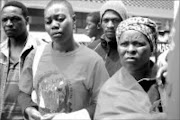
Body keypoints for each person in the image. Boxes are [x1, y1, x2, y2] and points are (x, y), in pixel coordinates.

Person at [18, 0, 109, 120]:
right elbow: (23, 93)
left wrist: (71, 117)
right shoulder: (35, 56)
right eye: (48, 22)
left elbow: (105, 104)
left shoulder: (93, 61)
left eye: (60, 19)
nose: (54, 25)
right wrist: (29, 109)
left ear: (74, 20)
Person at [94, 17, 167, 119]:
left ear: (152, 47)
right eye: (124, 44)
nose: (130, 50)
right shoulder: (109, 89)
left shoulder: (167, 81)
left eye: (138, 44)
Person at [0, 1, 45, 120]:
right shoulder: (0, 52)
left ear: (27, 20)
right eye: (4, 20)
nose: (9, 24)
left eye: (15, 19)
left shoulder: (42, 50)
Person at [94, 1, 128, 77]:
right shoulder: (91, 49)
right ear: (101, 23)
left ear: (124, 22)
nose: (110, 25)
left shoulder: (131, 51)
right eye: (106, 20)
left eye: (115, 20)